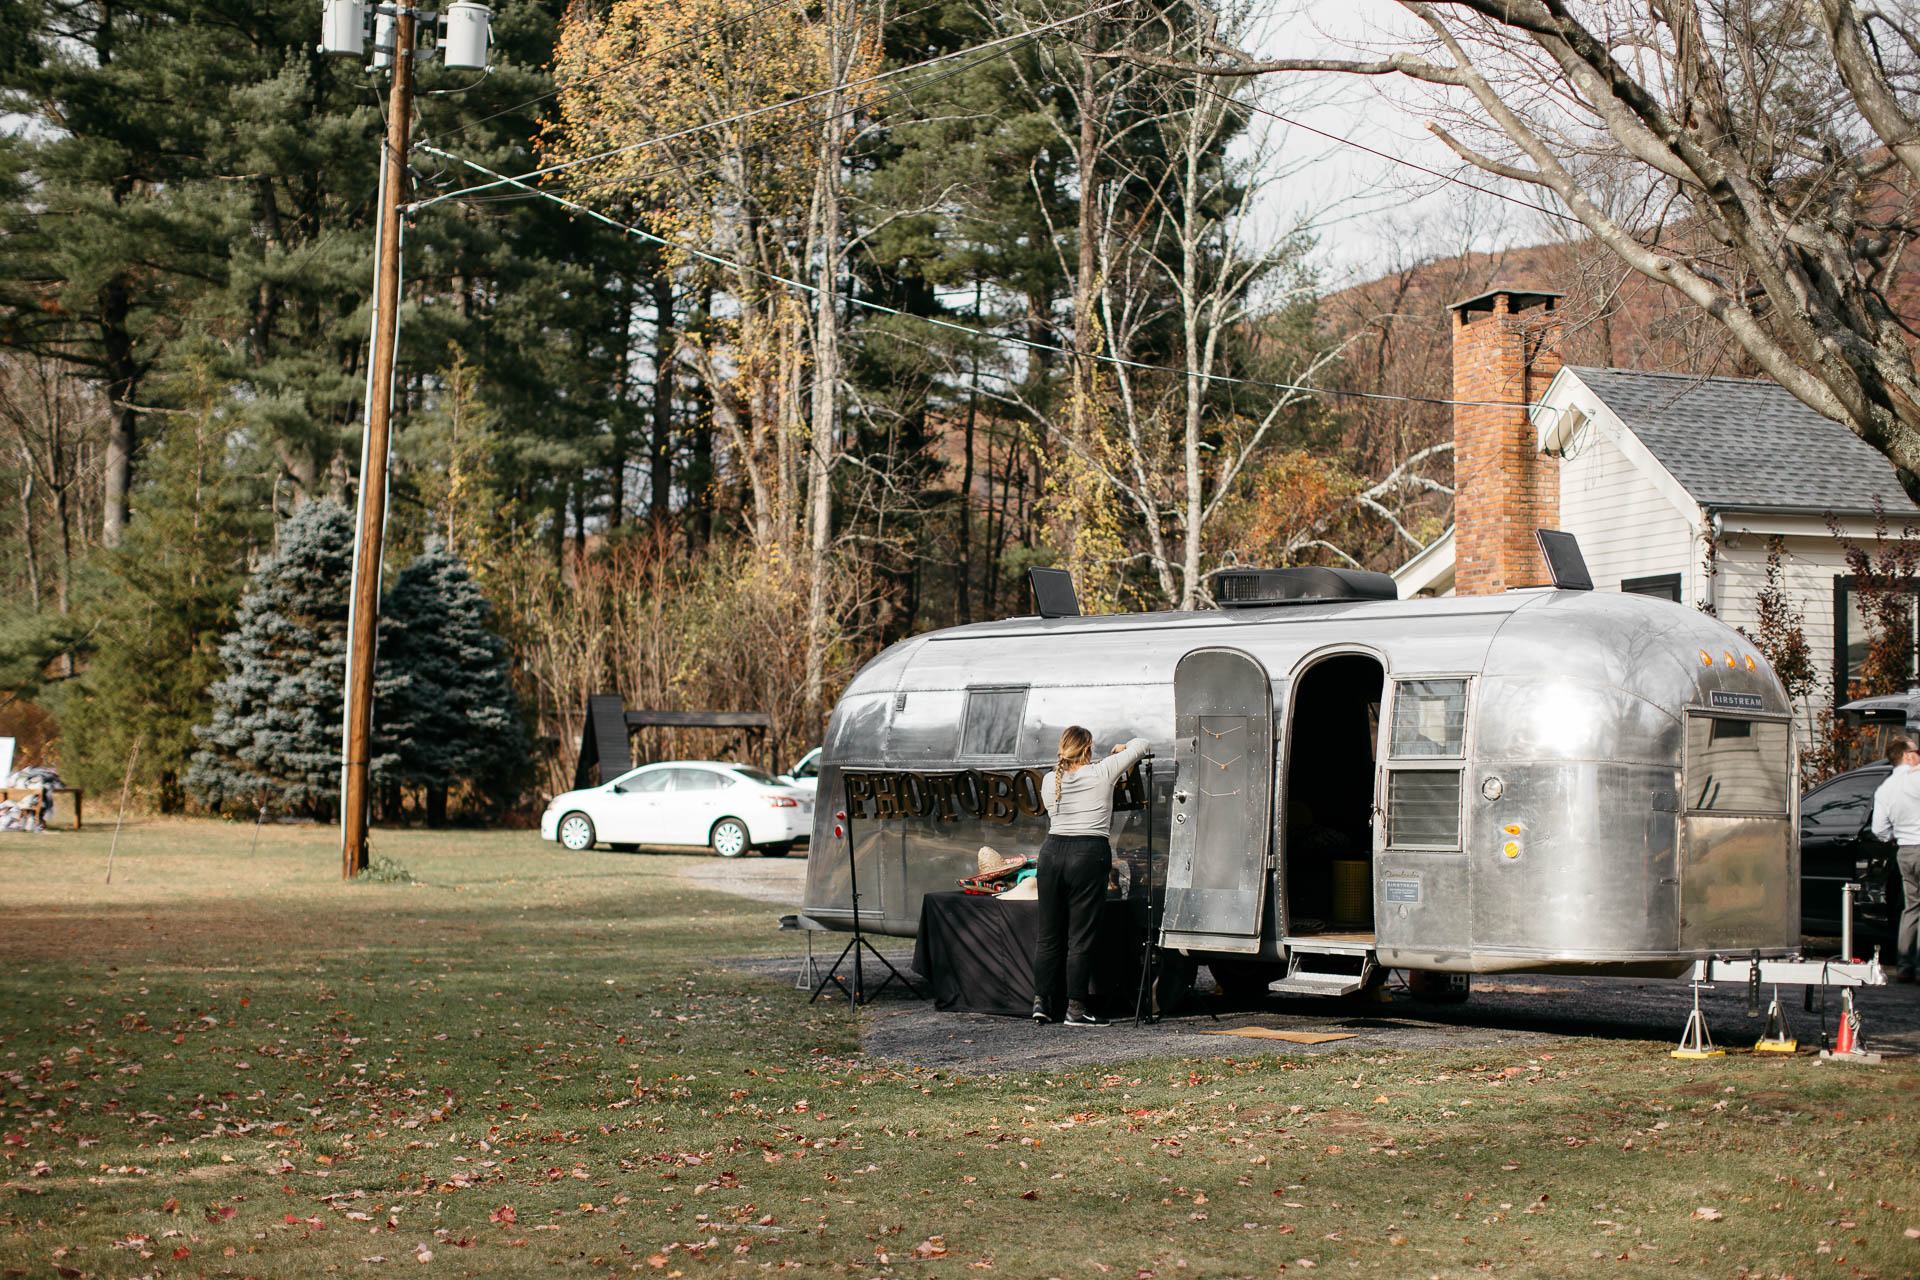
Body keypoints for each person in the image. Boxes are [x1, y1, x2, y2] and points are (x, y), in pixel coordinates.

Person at [1032, 726, 1149, 1027]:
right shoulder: (1102, 772)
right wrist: (1123, 747)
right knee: (1079, 936)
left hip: (1051, 852)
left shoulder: (1048, 780)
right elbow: (1144, 745)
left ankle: (1041, 1003)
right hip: (1088, 852)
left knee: (1048, 935)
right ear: (1087, 751)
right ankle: (1075, 1009)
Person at [1871, 737, 1920, 983]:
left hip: (1905, 851)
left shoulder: (1886, 788)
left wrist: (1895, 836)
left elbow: (1878, 829)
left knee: (1911, 907)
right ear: (1908, 755)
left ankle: (1904, 966)